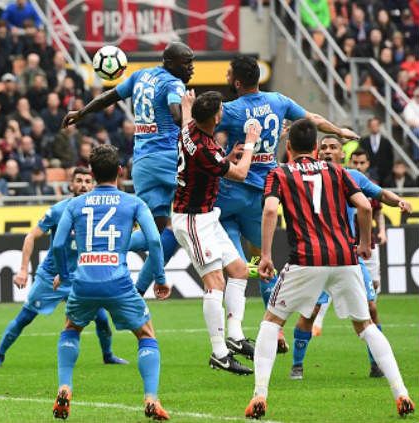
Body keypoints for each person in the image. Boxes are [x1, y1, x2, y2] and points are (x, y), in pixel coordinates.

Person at [245, 119, 414, 419]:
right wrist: (363, 243)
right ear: (315, 148)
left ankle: (260, 394)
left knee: (271, 323)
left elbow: (271, 210)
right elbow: (364, 206)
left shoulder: (280, 173)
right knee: (366, 326)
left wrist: (267, 255)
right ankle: (401, 392)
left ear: (289, 148)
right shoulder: (339, 172)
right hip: (345, 259)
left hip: (305, 260)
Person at [214, 55, 359, 354]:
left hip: (229, 194)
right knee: (263, 262)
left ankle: (232, 332)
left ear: (237, 82)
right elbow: (312, 120)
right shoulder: (278, 100)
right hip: (263, 194)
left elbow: (200, 124)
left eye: (229, 74)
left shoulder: (230, 110)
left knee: (236, 267)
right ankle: (275, 329)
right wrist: (339, 131)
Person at [62, 42, 195, 298]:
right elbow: (178, 115)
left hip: (142, 164)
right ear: (169, 63)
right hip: (169, 159)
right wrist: (192, 109)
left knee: (152, 233)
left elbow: (107, 97)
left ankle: (107, 257)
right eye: (186, 62)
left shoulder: (140, 76)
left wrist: (81, 113)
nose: (191, 68)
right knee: (197, 214)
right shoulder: (173, 84)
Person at [51, 145, 171, 420]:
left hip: (84, 281)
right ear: (120, 171)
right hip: (118, 281)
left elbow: (58, 244)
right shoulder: (133, 203)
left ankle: (65, 387)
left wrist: (66, 276)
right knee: (146, 335)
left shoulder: (75, 204)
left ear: (91, 174)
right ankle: (151, 398)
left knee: (71, 328)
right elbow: (154, 241)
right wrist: (161, 279)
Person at [288, 137, 413, 380]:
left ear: (342, 155)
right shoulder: (304, 177)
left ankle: (376, 364)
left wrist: (397, 200)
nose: (327, 151)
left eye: (333, 147)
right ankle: (297, 365)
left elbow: (378, 195)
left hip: (347, 257)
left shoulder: (353, 177)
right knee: (311, 311)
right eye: (322, 147)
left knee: (371, 308)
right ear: (315, 152)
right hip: (316, 256)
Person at [0, 167, 128, 368]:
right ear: (71, 184)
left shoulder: (100, 213)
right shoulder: (58, 210)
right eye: (79, 180)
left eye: (88, 181)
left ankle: (108, 355)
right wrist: (22, 269)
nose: (83, 185)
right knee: (25, 317)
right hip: (51, 276)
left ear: (94, 184)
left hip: (81, 277)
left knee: (102, 318)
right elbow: (30, 236)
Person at [172, 90, 261, 372]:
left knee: (239, 270)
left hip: (207, 215)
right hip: (192, 219)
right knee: (215, 284)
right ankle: (219, 353)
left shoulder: (191, 128)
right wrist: (249, 143)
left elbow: (188, 122)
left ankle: (234, 336)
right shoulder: (205, 149)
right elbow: (241, 174)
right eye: (221, 109)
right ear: (215, 117)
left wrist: (188, 107)